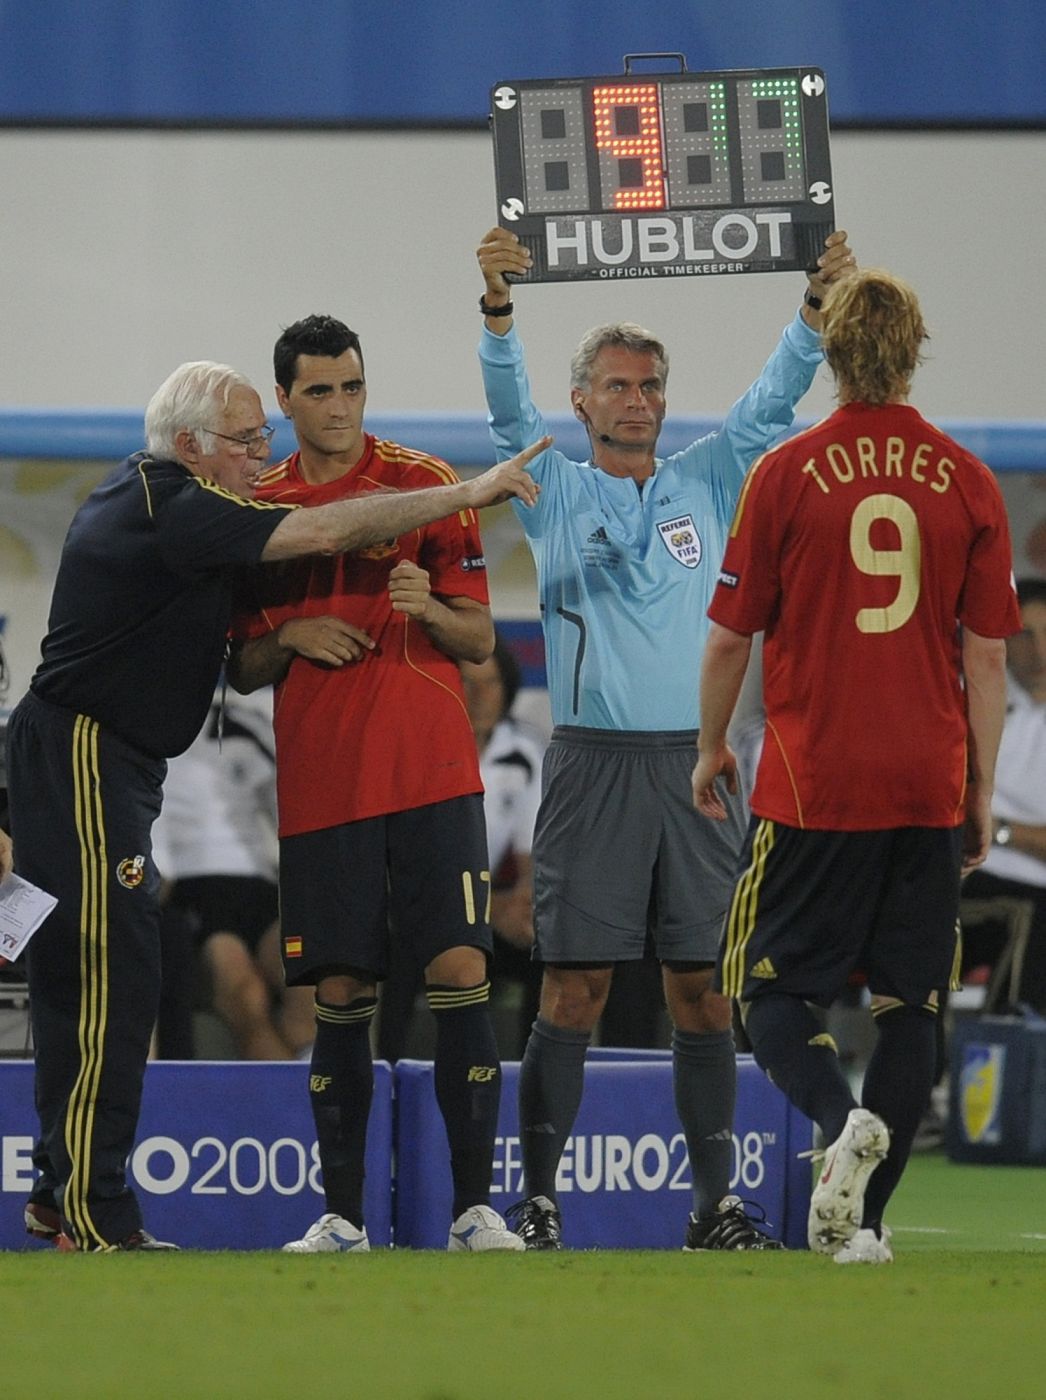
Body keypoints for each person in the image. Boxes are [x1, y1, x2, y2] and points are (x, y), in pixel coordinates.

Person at [5, 358, 544, 1253]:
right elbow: (325, 527)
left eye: (264, 436)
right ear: (191, 446)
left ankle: (60, 1196)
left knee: (75, 983)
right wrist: (469, 491)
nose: (265, 453)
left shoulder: (157, 507)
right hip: (88, 755)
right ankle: (97, 1213)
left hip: (93, 759)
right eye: (249, 439)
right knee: (115, 980)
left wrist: (285, 633)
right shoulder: (170, 501)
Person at [475, 222, 857, 1251]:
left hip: (699, 766)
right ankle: (539, 1198)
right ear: (582, 399)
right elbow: (504, 405)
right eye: (613, 383)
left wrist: (814, 305)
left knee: (701, 986)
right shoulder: (549, 486)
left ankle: (712, 1205)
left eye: (648, 383)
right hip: (592, 765)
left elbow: (773, 397)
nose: (635, 398)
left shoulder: (709, 476)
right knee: (573, 983)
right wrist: (498, 312)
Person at [691, 268, 1019, 1263]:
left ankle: (839, 1122)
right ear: (911, 351)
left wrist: (710, 746)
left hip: (812, 780)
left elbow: (726, 638)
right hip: (922, 778)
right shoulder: (966, 478)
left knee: (761, 987)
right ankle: (866, 1229)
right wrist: (974, 788)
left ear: (830, 355)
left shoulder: (785, 472)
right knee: (907, 1001)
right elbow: (988, 655)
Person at [228, 316, 529, 1253]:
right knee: (341, 992)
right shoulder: (254, 508)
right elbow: (238, 666)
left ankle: (476, 1210)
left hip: (433, 776)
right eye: (319, 391)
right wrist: (290, 641)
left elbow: (482, 639)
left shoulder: (427, 485)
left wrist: (429, 609)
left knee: (461, 970)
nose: (340, 407)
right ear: (284, 401)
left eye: (352, 387)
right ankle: (345, 1217)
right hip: (325, 789)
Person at [152, 689, 315, 1060]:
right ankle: (294, 1111)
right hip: (190, 887)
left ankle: (314, 1098)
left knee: (310, 981)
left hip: (259, 886)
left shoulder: (243, 725)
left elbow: (291, 808)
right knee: (246, 994)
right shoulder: (141, 733)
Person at [959, 577, 1046, 1012]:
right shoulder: (975, 703)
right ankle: (1002, 1052)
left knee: (1032, 912)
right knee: (1029, 915)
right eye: (1029, 635)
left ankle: (1012, 1058)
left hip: (1027, 885)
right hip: (968, 876)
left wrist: (1002, 830)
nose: (1041, 649)